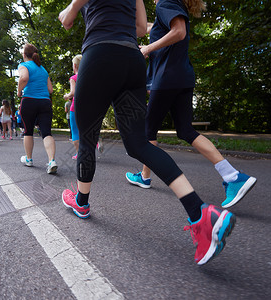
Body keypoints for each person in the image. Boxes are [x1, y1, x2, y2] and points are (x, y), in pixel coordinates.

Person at [59, 0, 236, 265]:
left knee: (87, 138)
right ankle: (200, 212)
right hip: (131, 61)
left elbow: (67, 19)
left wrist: (71, 10)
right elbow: (141, 28)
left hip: (99, 55)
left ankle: (81, 203)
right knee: (139, 143)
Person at [125, 0, 256, 209]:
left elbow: (179, 31)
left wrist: (148, 47)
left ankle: (145, 177)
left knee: (147, 132)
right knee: (185, 130)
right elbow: (153, 28)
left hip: (167, 79)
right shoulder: (171, 7)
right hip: (182, 77)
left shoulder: (165, 3)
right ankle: (232, 176)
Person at [17, 43, 58, 174]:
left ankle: (29, 159)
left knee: (28, 131)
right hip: (45, 102)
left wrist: (19, 91)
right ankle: (52, 161)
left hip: (29, 101)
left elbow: (24, 78)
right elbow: (50, 90)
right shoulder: (43, 69)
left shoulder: (24, 65)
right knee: (46, 132)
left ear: (24, 54)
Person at [64, 54, 82, 159]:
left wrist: (67, 96)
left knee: (75, 131)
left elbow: (73, 93)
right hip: (88, 107)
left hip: (76, 108)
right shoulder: (89, 76)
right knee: (85, 130)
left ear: (74, 66)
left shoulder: (74, 78)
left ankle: (79, 154)